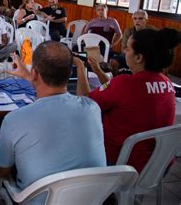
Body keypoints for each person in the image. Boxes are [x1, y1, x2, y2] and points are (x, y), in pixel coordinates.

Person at [0, 42, 106, 204]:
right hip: (89, 199)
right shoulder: (92, 109)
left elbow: (2, 170)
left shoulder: (15, 119)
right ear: (69, 73)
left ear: (35, 73)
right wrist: (32, 77)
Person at [75, 28, 179, 173]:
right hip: (158, 166)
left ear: (139, 58)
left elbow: (85, 102)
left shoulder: (126, 83)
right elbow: (116, 91)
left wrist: (80, 67)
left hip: (124, 165)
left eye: (128, 48)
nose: (124, 51)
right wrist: (98, 71)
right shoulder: (166, 82)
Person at [110, 10, 156, 75]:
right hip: (130, 55)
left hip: (147, 56)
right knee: (113, 61)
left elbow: (157, 47)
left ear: (146, 20)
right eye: (135, 18)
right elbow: (123, 49)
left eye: (140, 18)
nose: (137, 21)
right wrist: (133, 56)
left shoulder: (152, 30)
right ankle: (115, 81)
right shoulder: (128, 31)